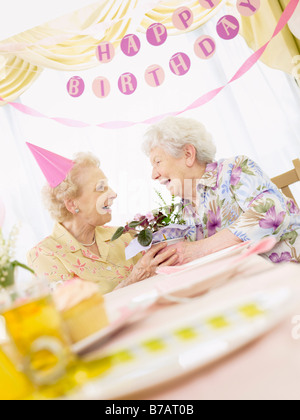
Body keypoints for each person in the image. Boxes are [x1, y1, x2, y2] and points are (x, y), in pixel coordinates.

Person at [142, 116, 300, 265]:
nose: (154, 175)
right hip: (247, 282)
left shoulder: (234, 169)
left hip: (289, 271)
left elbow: (270, 213)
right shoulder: (186, 208)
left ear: (188, 154)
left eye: (158, 162)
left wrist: (200, 249)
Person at [27, 143, 178, 294]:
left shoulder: (123, 236)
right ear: (72, 204)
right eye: (101, 188)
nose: (113, 194)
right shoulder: (44, 255)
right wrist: (132, 280)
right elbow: (75, 314)